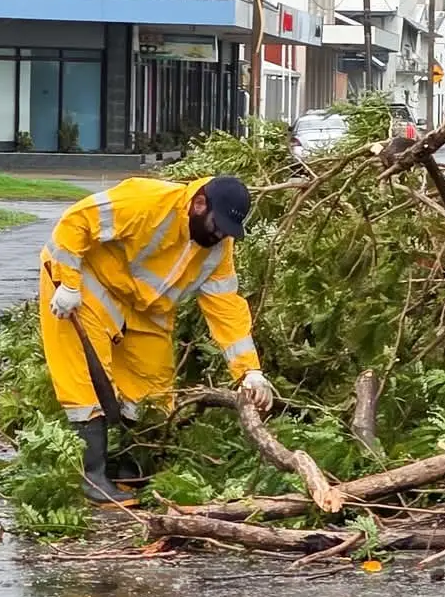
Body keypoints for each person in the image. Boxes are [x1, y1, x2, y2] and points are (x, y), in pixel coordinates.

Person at [39, 172, 273, 504]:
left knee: (155, 390)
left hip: (146, 309)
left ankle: (131, 466)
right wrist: (69, 283)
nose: (220, 234)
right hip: (86, 286)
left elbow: (227, 308)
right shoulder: (146, 201)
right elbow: (75, 221)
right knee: (86, 379)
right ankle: (91, 475)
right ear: (199, 204)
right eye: (216, 224)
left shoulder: (218, 248)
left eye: (227, 230)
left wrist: (250, 371)